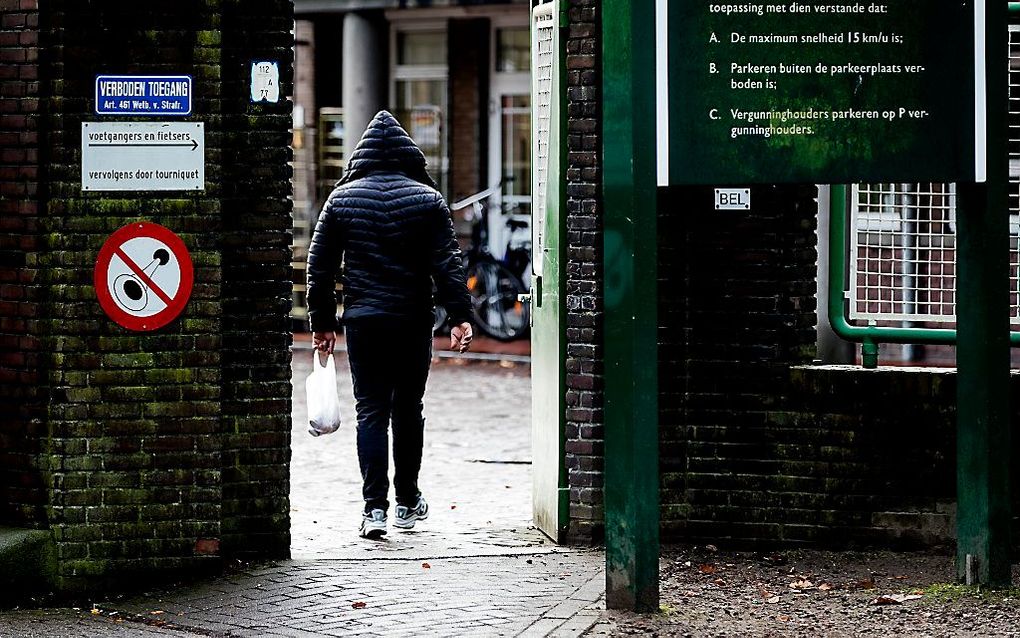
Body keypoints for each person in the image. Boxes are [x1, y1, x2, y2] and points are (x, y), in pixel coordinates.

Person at [305, 110, 473, 539]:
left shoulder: (341, 200)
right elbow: (447, 264)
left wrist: (322, 323)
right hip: (412, 320)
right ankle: (407, 502)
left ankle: (373, 509)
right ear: (408, 156)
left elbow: (319, 267)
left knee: (371, 411)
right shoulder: (427, 200)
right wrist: (459, 317)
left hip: (364, 322)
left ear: (361, 156)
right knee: (408, 409)